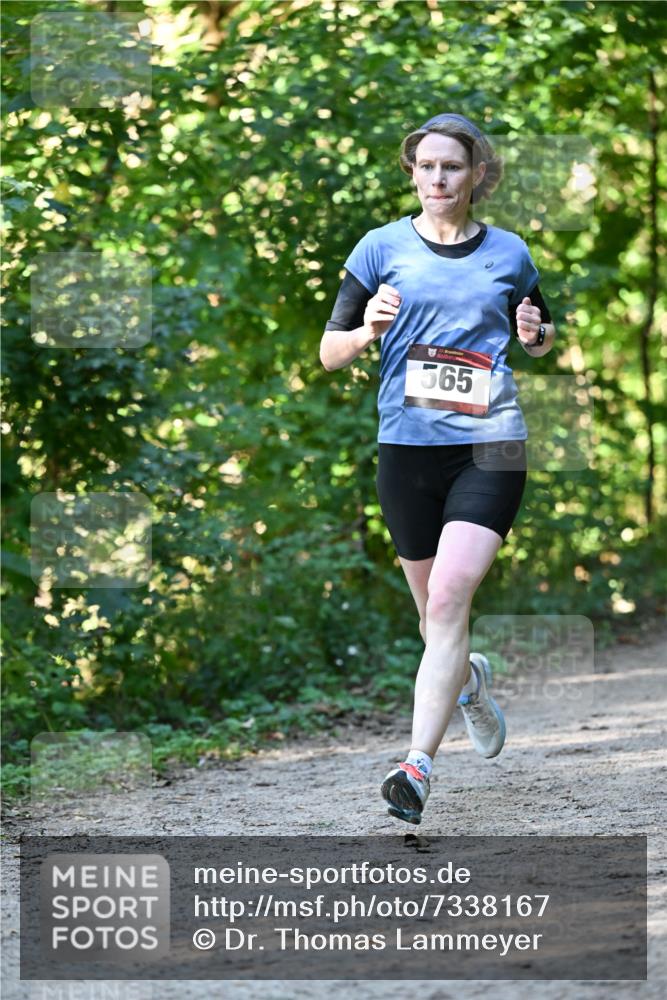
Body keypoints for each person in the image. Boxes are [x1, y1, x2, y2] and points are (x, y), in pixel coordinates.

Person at [319, 112, 556, 825]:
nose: (437, 179)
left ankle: (415, 766)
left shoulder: (509, 253)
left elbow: (541, 336)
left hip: (491, 444)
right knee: (433, 619)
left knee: (450, 598)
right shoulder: (378, 248)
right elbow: (329, 351)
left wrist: (533, 334)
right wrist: (369, 331)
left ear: (476, 174)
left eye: (450, 166)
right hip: (407, 450)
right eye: (425, 166)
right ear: (411, 172)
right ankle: (470, 683)